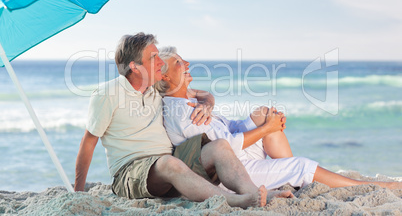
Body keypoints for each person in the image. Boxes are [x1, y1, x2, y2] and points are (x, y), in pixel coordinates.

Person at [74, 33, 294, 208]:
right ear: (134, 67)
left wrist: (207, 104)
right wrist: (78, 191)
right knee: (169, 163)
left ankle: (252, 192)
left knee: (219, 146)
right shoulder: (107, 95)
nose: (160, 62)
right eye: (153, 58)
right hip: (132, 174)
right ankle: (235, 201)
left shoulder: (154, 90)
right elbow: (88, 142)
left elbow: (198, 93)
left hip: (172, 167)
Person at [156, 46, 402, 190]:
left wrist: (261, 120)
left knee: (264, 115)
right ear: (165, 78)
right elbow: (225, 148)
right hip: (231, 170)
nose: (186, 63)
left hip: (236, 151)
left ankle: (294, 177)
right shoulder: (182, 113)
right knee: (301, 164)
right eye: (178, 63)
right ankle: (368, 186)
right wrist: (266, 129)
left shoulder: (186, 98)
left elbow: (219, 117)